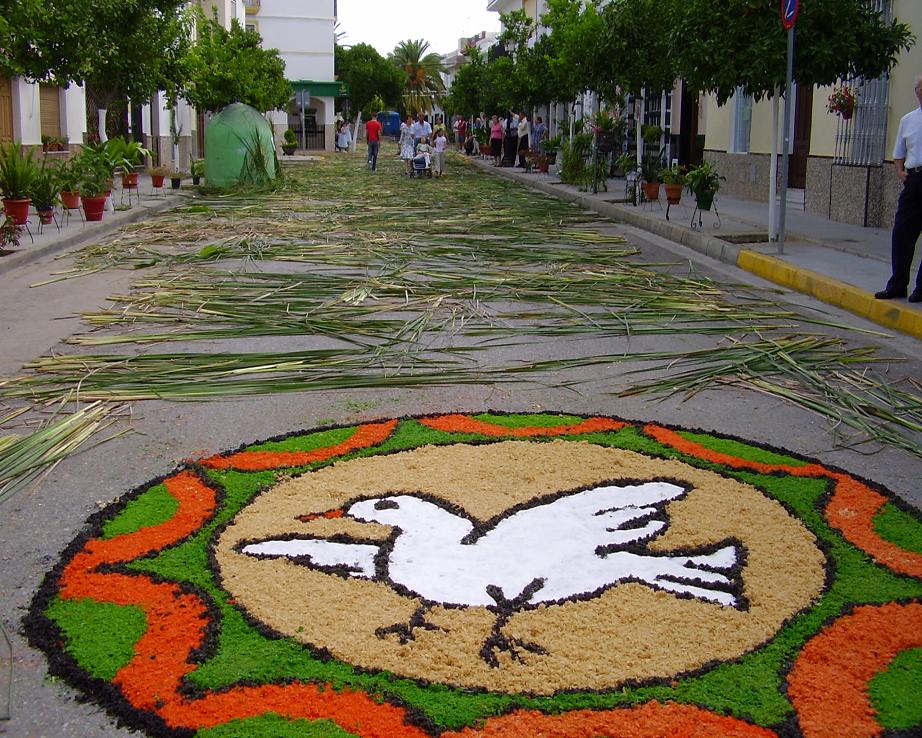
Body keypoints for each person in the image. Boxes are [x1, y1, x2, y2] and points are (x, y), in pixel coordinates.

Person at [877, 76, 922, 303]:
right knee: (902, 232)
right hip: (914, 179)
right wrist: (899, 171)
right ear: (917, 92)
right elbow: (898, 153)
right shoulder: (908, 120)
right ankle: (897, 284)